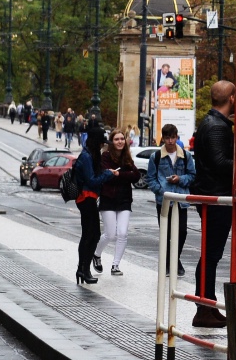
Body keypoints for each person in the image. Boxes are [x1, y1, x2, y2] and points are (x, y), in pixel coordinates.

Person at [190, 80, 236, 329]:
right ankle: (204, 307)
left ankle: (207, 304)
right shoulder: (218, 126)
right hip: (216, 197)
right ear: (231, 99)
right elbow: (220, 162)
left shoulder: (211, 123)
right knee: (211, 255)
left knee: (210, 254)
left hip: (211, 196)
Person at [70, 121, 115, 286]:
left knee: (89, 235)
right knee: (92, 235)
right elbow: (92, 180)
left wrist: (105, 173)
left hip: (87, 198)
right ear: (97, 142)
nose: (104, 146)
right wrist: (108, 174)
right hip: (86, 198)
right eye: (103, 143)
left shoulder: (88, 154)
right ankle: (84, 269)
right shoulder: (87, 156)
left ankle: (82, 269)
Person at [148, 123, 195, 277]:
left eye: (172, 137)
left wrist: (180, 179)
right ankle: (173, 265)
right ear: (163, 138)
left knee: (182, 232)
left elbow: (192, 176)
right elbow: (151, 179)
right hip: (164, 200)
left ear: (176, 137)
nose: (170, 141)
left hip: (181, 199)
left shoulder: (186, 156)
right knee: (166, 234)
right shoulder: (155, 157)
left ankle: (172, 262)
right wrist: (160, 190)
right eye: (167, 138)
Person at [96, 128, 141, 276]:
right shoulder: (106, 156)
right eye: (117, 139)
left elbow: (136, 175)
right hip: (108, 198)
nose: (120, 141)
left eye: (122, 139)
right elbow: (106, 174)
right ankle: (96, 254)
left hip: (124, 200)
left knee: (122, 233)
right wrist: (121, 175)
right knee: (110, 234)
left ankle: (115, 265)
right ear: (111, 141)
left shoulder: (127, 157)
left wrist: (119, 174)